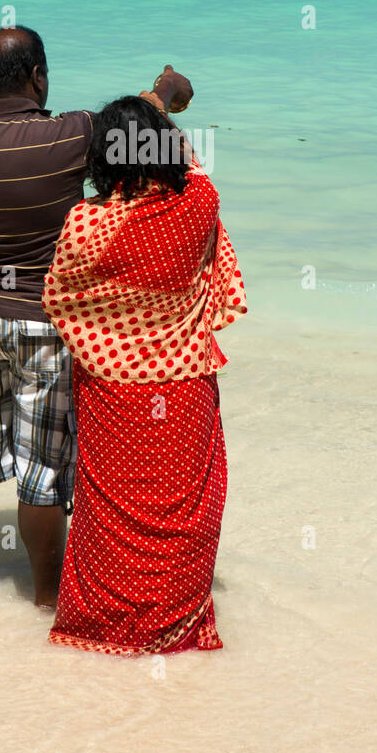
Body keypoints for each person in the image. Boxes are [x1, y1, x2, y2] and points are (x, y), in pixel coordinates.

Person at [0, 27, 192, 604]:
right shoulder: (71, 131)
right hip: (42, 323)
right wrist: (167, 90)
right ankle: (47, 600)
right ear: (37, 77)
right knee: (42, 470)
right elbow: (138, 131)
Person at [42, 95, 247, 654]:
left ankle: (101, 628)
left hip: (112, 394)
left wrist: (141, 114)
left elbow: (60, 299)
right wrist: (161, 109)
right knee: (184, 513)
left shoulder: (85, 225)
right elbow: (188, 157)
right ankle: (177, 629)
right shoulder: (199, 202)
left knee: (109, 512)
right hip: (183, 388)